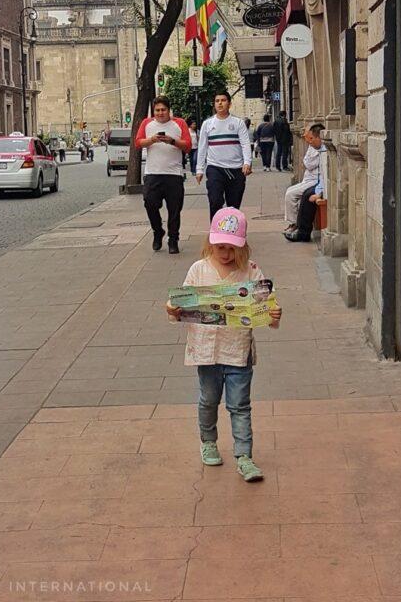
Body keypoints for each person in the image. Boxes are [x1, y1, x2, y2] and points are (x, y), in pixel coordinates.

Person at [165, 207, 282, 481]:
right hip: (206, 352)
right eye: (221, 247)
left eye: (232, 248)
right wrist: (172, 309)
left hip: (238, 352)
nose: (226, 253)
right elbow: (179, 304)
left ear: (243, 247)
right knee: (208, 399)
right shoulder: (198, 270)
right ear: (210, 243)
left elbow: (268, 308)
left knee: (240, 405)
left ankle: (244, 456)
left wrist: (274, 314)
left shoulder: (251, 272)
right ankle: (208, 441)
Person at [135, 96, 190, 254]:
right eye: (157, 110)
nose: (160, 113)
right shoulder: (146, 124)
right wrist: (151, 140)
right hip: (153, 173)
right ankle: (157, 231)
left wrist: (172, 141)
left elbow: (187, 146)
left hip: (174, 174)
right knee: (149, 203)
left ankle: (173, 240)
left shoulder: (179, 123)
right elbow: (138, 143)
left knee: (174, 209)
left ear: (169, 110)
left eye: (163, 110)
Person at [195, 91, 252, 217]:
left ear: (229, 104)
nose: (220, 103)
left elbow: (245, 144)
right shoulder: (207, 124)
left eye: (223, 100)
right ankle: (215, 233)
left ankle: (232, 234)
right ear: (214, 104)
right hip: (215, 168)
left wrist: (247, 162)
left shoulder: (238, 123)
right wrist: (199, 169)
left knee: (233, 206)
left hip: (236, 169)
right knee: (215, 201)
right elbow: (202, 147)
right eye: (217, 101)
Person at [283, 123, 325, 234]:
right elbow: (306, 162)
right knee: (290, 192)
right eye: (307, 137)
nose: (308, 141)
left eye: (310, 138)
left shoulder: (323, 149)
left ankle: (295, 224)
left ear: (318, 136)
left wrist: (319, 192)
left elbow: (309, 164)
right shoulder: (313, 146)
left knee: (291, 194)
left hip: (314, 181)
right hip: (309, 179)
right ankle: (294, 223)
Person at [284, 170, 324, 243]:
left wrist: (319, 193)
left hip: (319, 182)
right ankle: (299, 228)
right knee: (306, 194)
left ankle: (303, 233)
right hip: (320, 182)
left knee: (307, 196)